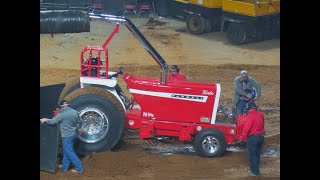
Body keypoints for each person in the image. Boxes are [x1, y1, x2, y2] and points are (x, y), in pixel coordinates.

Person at [40, 100, 84, 174]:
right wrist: (79, 129)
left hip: (66, 136)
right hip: (73, 134)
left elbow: (53, 122)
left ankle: (79, 168)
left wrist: (45, 120)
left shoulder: (61, 114)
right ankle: (65, 167)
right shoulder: (75, 112)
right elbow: (80, 122)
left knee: (69, 152)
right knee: (66, 151)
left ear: (61, 106)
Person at [238, 102, 265, 176]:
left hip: (253, 138)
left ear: (249, 108)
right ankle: (255, 168)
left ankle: (255, 172)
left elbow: (246, 129)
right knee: (257, 153)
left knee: (252, 155)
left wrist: (241, 138)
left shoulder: (250, 116)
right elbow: (262, 124)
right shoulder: (261, 114)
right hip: (261, 136)